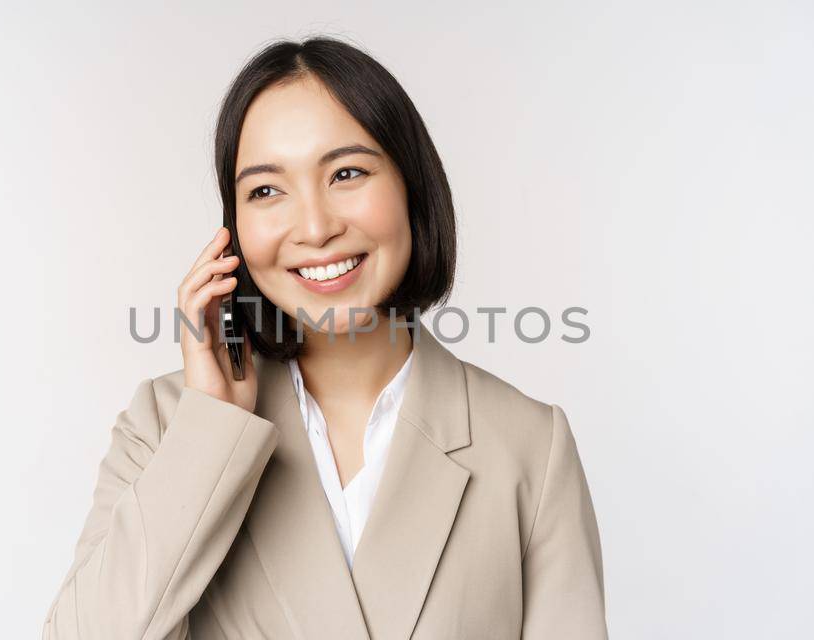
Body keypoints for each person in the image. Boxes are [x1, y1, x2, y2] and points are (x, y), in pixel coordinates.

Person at [43, 36, 606, 639]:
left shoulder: (529, 446)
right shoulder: (165, 424)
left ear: (412, 187)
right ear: (233, 228)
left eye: (346, 173)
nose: (314, 227)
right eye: (266, 190)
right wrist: (212, 427)